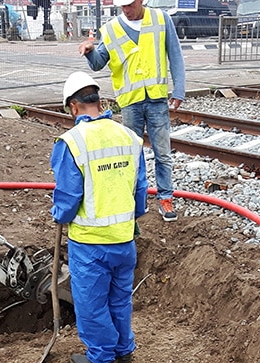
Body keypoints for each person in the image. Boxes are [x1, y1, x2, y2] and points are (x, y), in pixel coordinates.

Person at [51, 71, 148, 363]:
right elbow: (140, 190)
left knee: (92, 303)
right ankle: (124, 348)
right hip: (124, 239)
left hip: (90, 244)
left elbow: (68, 197)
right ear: (98, 100)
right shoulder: (129, 138)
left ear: (74, 107)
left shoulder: (73, 142)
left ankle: (102, 355)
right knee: (119, 298)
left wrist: (59, 216)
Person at [77, 0, 186, 222]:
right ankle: (133, 200)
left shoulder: (160, 19)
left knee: (163, 153)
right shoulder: (111, 29)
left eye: (130, 5)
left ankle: (165, 198)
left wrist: (179, 89)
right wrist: (89, 51)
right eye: (122, 7)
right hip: (130, 102)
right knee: (131, 155)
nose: (126, 10)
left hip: (156, 99)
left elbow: (175, 55)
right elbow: (99, 63)